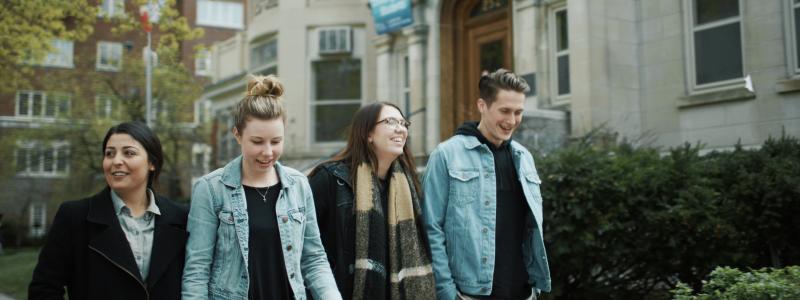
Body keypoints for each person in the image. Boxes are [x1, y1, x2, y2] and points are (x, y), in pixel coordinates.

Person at [182, 75, 341, 300]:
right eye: (257, 142)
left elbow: (314, 258)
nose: (268, 152)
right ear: (237, 135)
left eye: (276, 141)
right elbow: (197, 270)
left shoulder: (299, 185)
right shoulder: (210, 189)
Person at [422, 69, 551, 300]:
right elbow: (431, 228)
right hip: (470, 294)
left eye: (518, 112)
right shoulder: (446, 155)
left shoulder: (524, 158)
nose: (512, 121)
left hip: (522, 292)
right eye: (505, 111)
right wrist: (447, 293)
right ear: (482, 105)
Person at [29, 121, 189, 300]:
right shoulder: (75, 216)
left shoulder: (181, 217)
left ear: (152, 162)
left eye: (129, 153)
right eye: (109, 154)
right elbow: (43, 289)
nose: (116, 161)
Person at [309, 102, 436, 299]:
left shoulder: (409, 186)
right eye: (390, 121)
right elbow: (305, 248)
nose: (400, 129)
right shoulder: (330, 179)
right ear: (368, 133)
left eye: (403, 123)